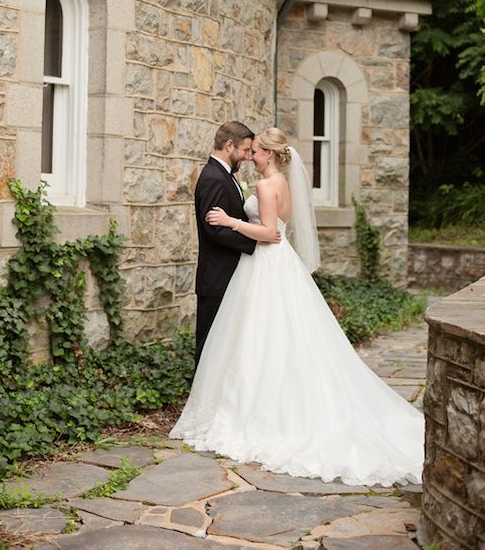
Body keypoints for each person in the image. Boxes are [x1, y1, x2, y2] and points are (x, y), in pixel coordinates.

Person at [171, 127, 424, 486]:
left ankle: (258, 413)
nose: (251, 156)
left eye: (256, 151)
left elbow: (271, 233)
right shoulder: (282, 183)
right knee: (277, 336)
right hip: (276, 265)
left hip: (266, 262)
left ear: (270, 155)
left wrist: (231, 221)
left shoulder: (263, 185)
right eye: (248, 150)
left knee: (261, 335)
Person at [193, 121, 257, 367]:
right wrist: (253, 243)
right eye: (245, 150)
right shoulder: (212, 178)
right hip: (217, 277)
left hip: (230, 275)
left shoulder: (224, 176)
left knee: (224, 345)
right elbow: (215, 229)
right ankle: (201, 400)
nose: (248, 157)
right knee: (209, 345)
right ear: (229, 145)